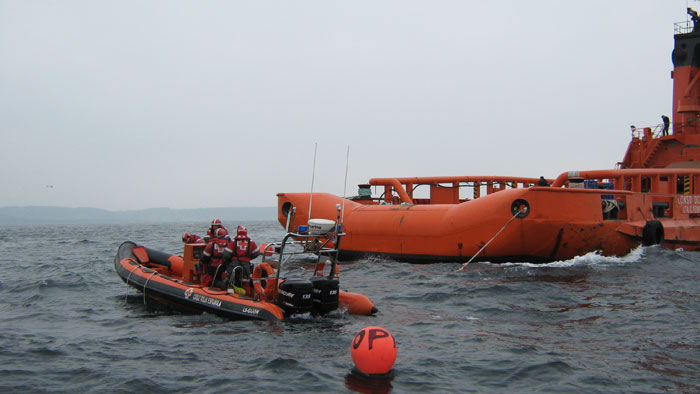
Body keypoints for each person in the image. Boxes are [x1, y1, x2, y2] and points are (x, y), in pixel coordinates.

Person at [222, 226, 261, 295]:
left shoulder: (233, 242)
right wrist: (249, 258)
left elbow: (226, 255)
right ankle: (248, 296)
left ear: (238, 232)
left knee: (229, 279)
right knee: (246, 282)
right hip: (246, 265)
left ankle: (230, 294)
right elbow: (257, 253)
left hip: (234, 264)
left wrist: (228, 260)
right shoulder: (251, 242)